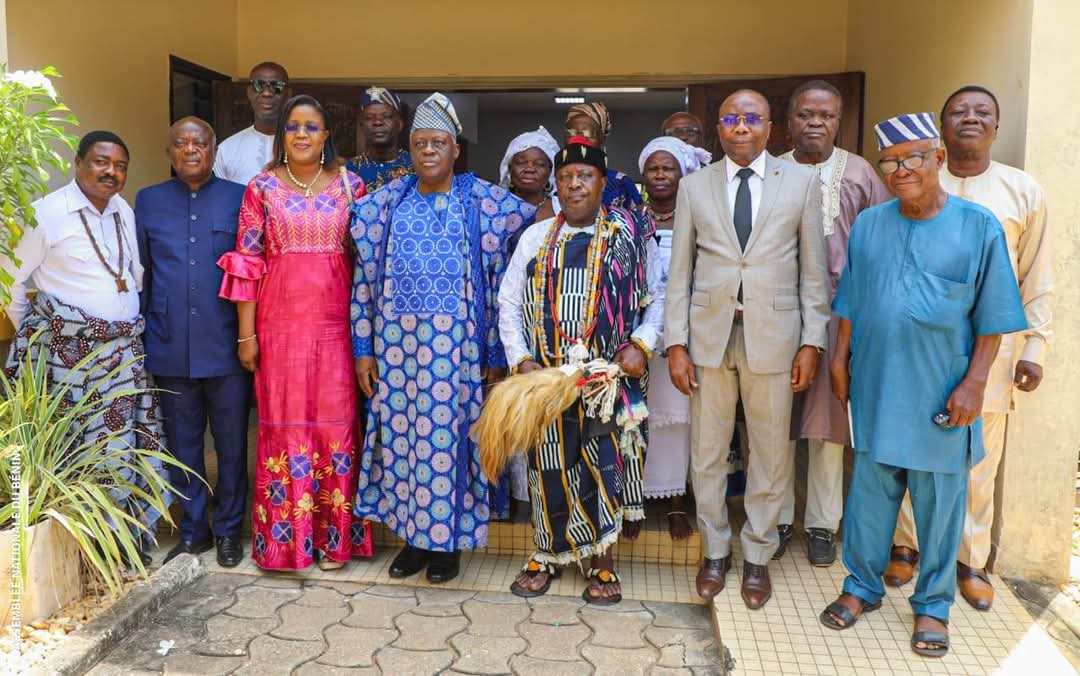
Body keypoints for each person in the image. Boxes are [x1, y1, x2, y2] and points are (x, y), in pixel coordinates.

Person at [819, 113, 1026, 658]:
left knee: (939, 504)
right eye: (889, 162)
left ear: (937, 159)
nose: (901, 170)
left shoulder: (978, 226)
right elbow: (850, 300)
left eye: (913, 158)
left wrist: (975, 384)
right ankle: (861, 586)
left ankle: (933, 603)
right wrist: (839, 360)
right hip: (877, 381)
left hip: (942, 387)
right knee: (870, 493)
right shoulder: (870, 223)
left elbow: (995, 314)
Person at [351, 93, 536, 584]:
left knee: (451, 447)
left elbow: (522, 246)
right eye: (420, 144)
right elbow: (364, 282)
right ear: (410, 150)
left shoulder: (480, 201)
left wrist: (496, 352)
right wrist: (364, 350)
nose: (428, 151)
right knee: (403, 447)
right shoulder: (386, 205)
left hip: (460, 355)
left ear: (456, 149)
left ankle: (447, 545)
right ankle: (414, 541)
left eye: (438, 143)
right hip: (398, 356)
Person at [887, 86, 1053, 611]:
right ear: (941, 131)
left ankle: (971, 560)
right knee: (911, 447)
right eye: (959, 111)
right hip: (918, 347)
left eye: (983, 112)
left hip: (991, 351)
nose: (971, 118)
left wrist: (1035, 348)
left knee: (979, 459)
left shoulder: (1021, 190)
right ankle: (906, 546)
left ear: (997, 127)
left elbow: (1037, 275)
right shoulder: (915, 185)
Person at [664, 89, 829, 610]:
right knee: (707, 453)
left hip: (775, 338)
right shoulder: (694, 185)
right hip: (709, 337)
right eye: (731, 118)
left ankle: (758, 554)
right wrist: (675, 343)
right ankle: (715, 551)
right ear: (719, 128)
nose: (741, 127)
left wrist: (812, 341)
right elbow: (680, 273)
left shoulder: (800, 182)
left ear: (769, 127)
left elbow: (813, 273)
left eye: (751, 118)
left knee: (770, 452)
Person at [497, 137, 662, 604]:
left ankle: (603, 560)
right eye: (566, 177)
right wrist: (520, 359)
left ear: (602, 183)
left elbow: (660, 295)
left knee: (604, 465)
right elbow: (508, 302)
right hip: (547, 381)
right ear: (557, 184)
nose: (574, 185)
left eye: (584, 176)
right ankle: (547, 552)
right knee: (548, 467)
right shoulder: (536, 237)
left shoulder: (629, 237)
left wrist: (642, 343)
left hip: (608, 379)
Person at [217, 95, 373, 571]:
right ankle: (289, 544)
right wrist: (246, 336)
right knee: (284, 427)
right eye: (292, 127)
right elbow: (247, 264)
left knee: (337, 425)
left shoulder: (352, 186)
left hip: (337, 329)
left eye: (310, 127)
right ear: (282, 136)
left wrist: (367, 338)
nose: (301, 134)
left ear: (326, 136)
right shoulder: (261, 188)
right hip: (279, 330)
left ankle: (333, 542)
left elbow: (367, 266)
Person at [4, 131, 170, 564]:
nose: (110, 172)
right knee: (84, 455)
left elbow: (132, 276)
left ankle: (126, 542)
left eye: (120, 166)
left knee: (126, 449)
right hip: (70, 365)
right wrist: (45, 334)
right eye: (101, 162)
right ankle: (87, 551)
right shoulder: (44, 214)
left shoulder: (123, 210)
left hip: (123, 356)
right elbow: (10, 281)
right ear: (77, 163)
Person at [775, 80, 889, 566]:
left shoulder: (860, 173)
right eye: (806, 114)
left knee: (828, 422)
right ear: (789, 122)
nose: (815, 123)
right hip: (778, 312)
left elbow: (881, 245)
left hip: (839, 315)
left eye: (826, 115)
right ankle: (776, 518)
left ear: (839, 122)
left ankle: (822, 524)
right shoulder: (771, 170)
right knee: (774, 420)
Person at [136, 117, 251, 568]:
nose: (190, 149)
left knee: (231, 447)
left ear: (213, 149)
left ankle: (229, 531)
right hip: (169, 345)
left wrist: (250, 337)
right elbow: (142, 274)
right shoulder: (148, 200)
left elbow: (250, 269)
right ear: (169, 151)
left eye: (198, 143)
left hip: (226, 345)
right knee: (183, 449)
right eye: (181, 143)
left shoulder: (240, 198)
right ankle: (194, 531)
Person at [636, 136, 712, 540]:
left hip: (685, 333)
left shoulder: (698, 216)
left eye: (668, 168)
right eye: (653, 168)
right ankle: (633, 501)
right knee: (636, 419)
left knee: (679, 422)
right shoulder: (631, 218)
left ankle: (677, 503)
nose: (660, 175)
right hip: (639, 335)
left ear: (683, 174)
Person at [213, 62, 291, 185]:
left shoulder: (306, 146)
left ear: (288, 94)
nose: (266, 93)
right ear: (249, 92)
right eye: (258, 85)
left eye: (276, 86)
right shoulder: (227, 149)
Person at [564, 102, 643, 209]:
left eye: (589, 133)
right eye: (571, 133)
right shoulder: (552, 181)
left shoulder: (621, 183)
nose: (579, 139)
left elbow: (639, 216)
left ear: (602, 138)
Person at [346, 86, 413, 192]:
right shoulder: (350, 170)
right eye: (369, 117)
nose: (378, 122)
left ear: (399, 124)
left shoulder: (415, 167)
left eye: (386, 116)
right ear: (362, 125)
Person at [499, 126, 561, 224]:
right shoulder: (495, 207)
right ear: (510, 169)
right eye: (521, 162)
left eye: (539, 164)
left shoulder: (562, 208)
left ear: (550, 171)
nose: (530, 169)